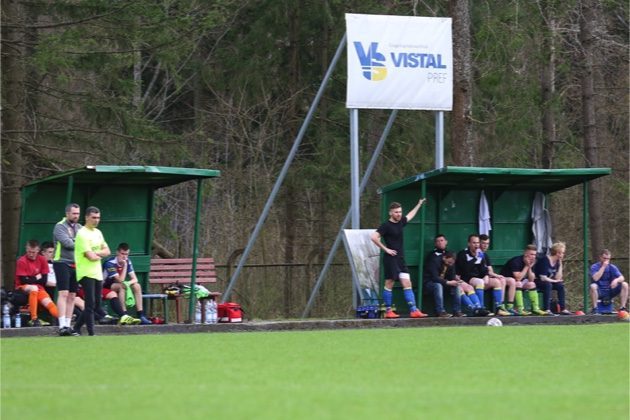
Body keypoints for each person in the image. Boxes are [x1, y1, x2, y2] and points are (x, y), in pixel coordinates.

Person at [371, 198, 428, 318]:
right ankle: (388, 311)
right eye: (396, 212)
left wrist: (418, 204)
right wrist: (386, 249)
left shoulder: (401, 221)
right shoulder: (386, 225)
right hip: (390, 259)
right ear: (390, 213)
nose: (399, 214)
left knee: (407, 282)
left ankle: (413, 310)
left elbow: (409, 215)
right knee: (389, 283)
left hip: (400, 259)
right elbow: (374, 237)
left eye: (400, 212)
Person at [73, 206, 110, 336]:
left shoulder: (98, 233)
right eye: (93, 218)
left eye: (98, 218)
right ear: (87, 217)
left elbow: (108, 251)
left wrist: (96, 253)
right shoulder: (82, 234)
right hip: (85, 272)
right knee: (90, 304)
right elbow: (90, 256)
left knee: (96, 304)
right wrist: (98, 253)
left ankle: (76, 328)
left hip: (97, 273)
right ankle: (91, 332)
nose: (96, 220)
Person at [455, 234, 509, 316]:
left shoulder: (481, 254)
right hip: (467, 278)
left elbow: (484, 269)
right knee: (479, 281)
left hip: (478, 278)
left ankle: (499, 308)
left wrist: (486, 275)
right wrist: (476, 259)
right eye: (474, 243)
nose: (476, 245)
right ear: (469, 243)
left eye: (477, 243)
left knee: (496, 282)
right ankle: (481, 308)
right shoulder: (463, 254)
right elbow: (466, 271)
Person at [102, 243, 150, 325]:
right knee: (122, 286)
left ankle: (141, 315)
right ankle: (124, 315)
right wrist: (124, 266)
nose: (124, 256)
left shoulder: (128, 261)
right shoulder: (110, 263)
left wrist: (128, 283)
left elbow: (135, 279)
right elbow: (121, 280)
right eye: (122, 254)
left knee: (137, 286)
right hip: (104, 286)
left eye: (126, 254)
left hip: (117, 284)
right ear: (117, 253)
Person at [52, 203, 82, 336]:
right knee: (63, 293)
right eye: (74, 213)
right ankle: (62, 325)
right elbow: (68, 243)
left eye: (78, 214)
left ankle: (69, 326)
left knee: (72, 295)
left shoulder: (80, 227)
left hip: (76, 264)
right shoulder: (59, 226)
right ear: (67, 213)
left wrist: (78, 242)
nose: (76, 216)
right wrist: (80, 242)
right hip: (62, 262)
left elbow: (86, 243)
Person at [14, 240, 59, 326]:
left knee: (48, 302)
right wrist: (37, 277)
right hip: (22, 287)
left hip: (39, 288)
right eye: (29, 252)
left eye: (33, 252)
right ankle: (34, 318)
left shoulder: (42, 260)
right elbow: (24, 280)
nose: (31, 254)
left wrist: (31, 278)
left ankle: (63, 320)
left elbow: (44, 280)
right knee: (33, 288)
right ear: (26, 249)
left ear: (38, 251)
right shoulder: (22, 261)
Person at [499, 245, 546, 315]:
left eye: (535, 255)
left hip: (518, 283)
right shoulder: (516, 261)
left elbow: (531, 279)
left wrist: (529, 267)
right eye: (531, 254)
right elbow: (518, 278)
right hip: (506, 281)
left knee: (532, 284)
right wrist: (527, 266)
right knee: (518, 283)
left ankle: (535, 308)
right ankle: (520, 308)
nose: (533, 256)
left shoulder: (532, 262)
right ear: (525, 254)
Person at [478, 234, 515, 314]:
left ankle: (509, 307)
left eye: (487, 243)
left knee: (511, 280)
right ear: (479, 243)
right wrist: (496, 275)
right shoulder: (477, 254)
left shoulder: (485, 255)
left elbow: (490, 270)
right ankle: (500, 307)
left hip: (488, 278)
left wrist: (494, 275)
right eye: (483, 243)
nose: (485, 245)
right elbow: (487, 272)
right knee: (501, 280)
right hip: (480, 280)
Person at [534, 242, 570, 315]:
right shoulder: (545, 260)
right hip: (538, 281)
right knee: (548, 284)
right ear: (557, 253)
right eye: (562, 253)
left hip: (549, 281)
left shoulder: (557, 262)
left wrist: (560, 264)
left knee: (560, 285)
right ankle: (547, 309)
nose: (563, 255)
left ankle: (562, 308)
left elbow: (558, 277)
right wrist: (555, 281)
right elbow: (543, 277)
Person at [589, 249, 628, 314]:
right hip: (599, 291)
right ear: (600, 257)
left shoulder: (612, 267)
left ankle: (622, 308)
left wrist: (616, 280)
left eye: (608, 259)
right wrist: (603, 267)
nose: (606, 260)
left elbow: (622, 277)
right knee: (593, 286)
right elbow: (595, 278)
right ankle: (595, 308)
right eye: (604, 258)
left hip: (610, 290)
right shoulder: (594, 267)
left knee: (625, 284)